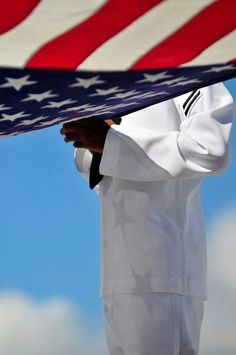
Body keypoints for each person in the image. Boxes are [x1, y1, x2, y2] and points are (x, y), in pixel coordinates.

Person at [60, 82, 234, 355]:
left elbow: (210, 149)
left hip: (165, 274)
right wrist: (94, 143)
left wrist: (112, 143)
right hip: (117, 276)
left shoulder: (192, 70)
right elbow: (99, 173)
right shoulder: (115, 78)